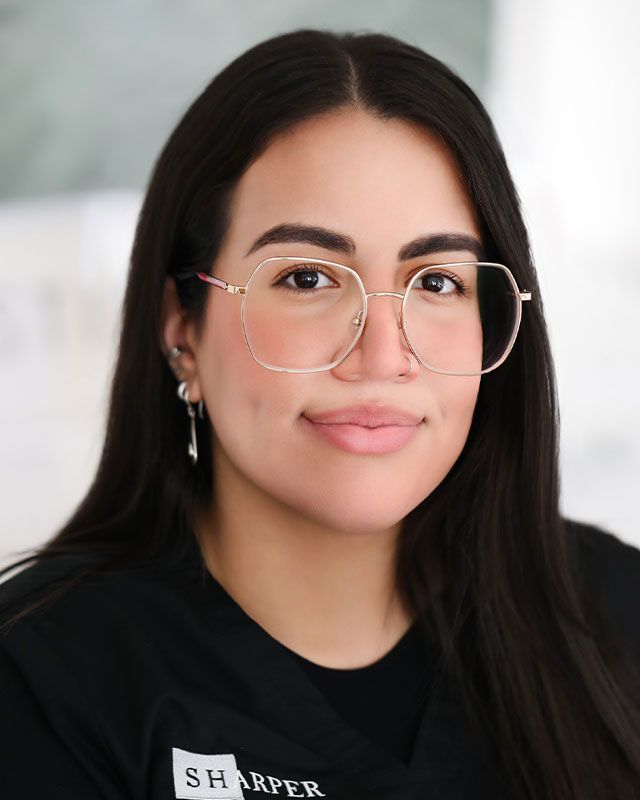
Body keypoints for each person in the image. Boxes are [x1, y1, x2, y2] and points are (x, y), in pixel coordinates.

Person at [0, 28, 639, 800]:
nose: (380, 352)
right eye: (306, 276)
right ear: (182, 330)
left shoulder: (612, 610)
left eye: (436, 283)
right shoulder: (43, 674)